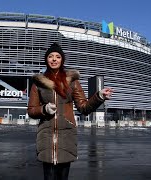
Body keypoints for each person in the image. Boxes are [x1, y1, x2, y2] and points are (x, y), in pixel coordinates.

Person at [27, 43, 114, 180]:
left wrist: (99, 96)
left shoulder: (72, 82)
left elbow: (84, 107)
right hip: (46, 137)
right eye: (50, 56)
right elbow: (31, 110)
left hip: (66, 136)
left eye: (57, 56)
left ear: (62, 60)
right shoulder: (38, 83)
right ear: (46, 60)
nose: (54, 59)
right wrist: (44, 109)